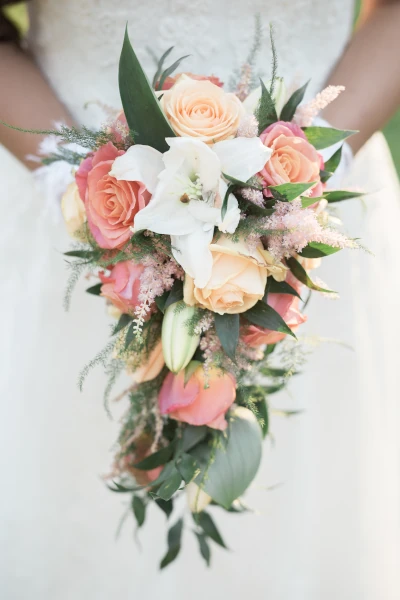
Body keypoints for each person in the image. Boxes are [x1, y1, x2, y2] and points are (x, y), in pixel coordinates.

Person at [1, 1, 399, 598]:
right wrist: (74, 178)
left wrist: (295, 189)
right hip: (72, 205)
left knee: (310, 501)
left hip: (312, 213)